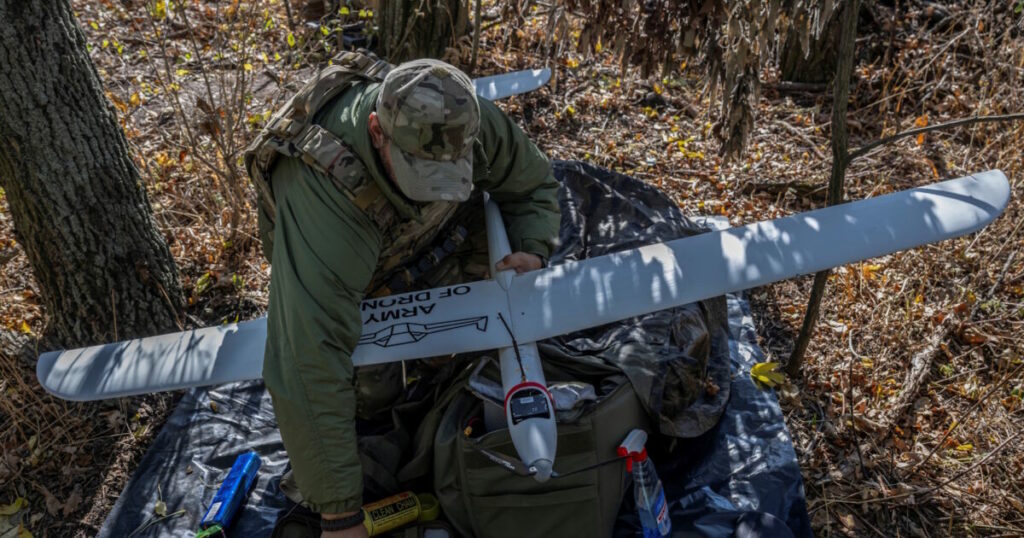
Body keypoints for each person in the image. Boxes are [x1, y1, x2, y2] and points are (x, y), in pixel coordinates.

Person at [251, 55, 561, 537]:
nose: (435, 182)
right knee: (369, 400)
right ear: (377, 131)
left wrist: (531, 247)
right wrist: (340, 512)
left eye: (449, 170)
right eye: (422, 171)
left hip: (424, 231)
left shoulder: (466, 120)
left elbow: (532, 183)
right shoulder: (325, 204)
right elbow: (307, 358)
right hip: (355, 252)